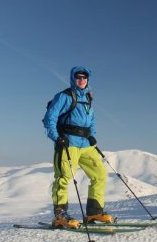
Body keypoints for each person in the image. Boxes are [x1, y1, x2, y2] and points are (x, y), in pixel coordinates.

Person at [43, 66, 114, 228]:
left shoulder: (88, 98)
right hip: (68, 144)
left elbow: (92, 120)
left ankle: (94, 212)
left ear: (88, 80)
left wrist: (92, 136)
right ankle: (60, 215)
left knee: (100, 174)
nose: (81, 80)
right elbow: (49, 118)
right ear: (73, 79)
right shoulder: (64, 96)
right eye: (78, 77)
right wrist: (57, 138)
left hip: (86, 145)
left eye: (84, 77)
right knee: (65, 177)